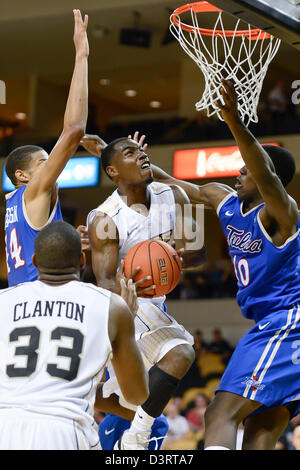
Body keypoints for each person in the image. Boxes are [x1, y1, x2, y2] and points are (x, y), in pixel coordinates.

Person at [149, 79, 300, 450]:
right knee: (260, 429)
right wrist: (123, 160)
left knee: (219, 413)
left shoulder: (282, 214)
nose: (239, 173)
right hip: (271, 323)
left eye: (245, 170)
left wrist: (233, 120)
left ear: (268, 179)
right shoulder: (227, 202)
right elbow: (179, 186)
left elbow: (263, 170)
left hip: (287, 321)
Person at [82, 133, 205, 450]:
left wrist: (177, 256)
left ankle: (99, 424)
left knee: (129, 403)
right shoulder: (104, 217)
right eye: (129, 152)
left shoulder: (172, 195)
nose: (141, 154)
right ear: (112, 172)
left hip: (157, 305)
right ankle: (135, 437)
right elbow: (106, 283)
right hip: (125, 305)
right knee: (181, 352)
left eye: (141, 150)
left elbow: (199, 254)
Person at [0, 221, 148, 450]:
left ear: (35, 262)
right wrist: (130, 320)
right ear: (82, 260)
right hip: (64, 431)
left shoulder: (3, 301)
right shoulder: (112, 307)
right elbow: (137, 395)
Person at [4, 9, 89, 287]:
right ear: (22, 176)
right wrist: (81, 56)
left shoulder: (16, 205)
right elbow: (74, 129)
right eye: (42, 161)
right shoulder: (33, 191)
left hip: (16, 301)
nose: (51, 164)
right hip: (39, 299)